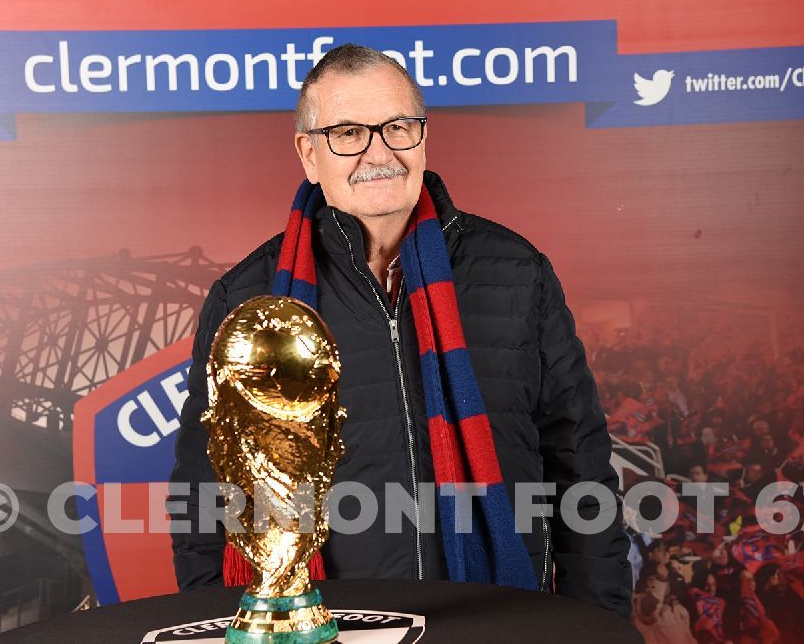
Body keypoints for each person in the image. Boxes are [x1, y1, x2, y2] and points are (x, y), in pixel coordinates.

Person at [166, 43, 631, 617]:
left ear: (422, 136)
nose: (379, 152)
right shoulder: (248, 299)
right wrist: (220, 623)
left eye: (397, 127)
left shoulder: (517, 272)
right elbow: (204, 494)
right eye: (348, 133)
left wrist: (597, 626)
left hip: (497, 618)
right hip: (327, 625)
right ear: (309, 154)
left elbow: (579, 466)